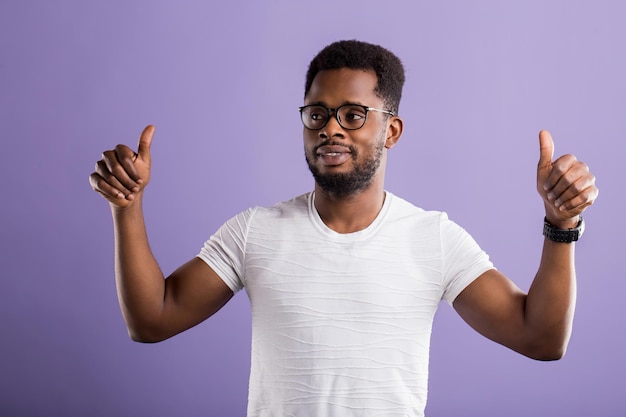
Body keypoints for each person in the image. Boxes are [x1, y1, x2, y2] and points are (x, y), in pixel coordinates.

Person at [89, 40, 598, 416]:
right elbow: (151, 321)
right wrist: (126, 206)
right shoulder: (254, 232)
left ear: (390, 131)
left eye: (354, 115)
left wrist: (561, 223)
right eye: (317, 114)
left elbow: (541, 339)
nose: (330, 127)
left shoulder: (433, 238)